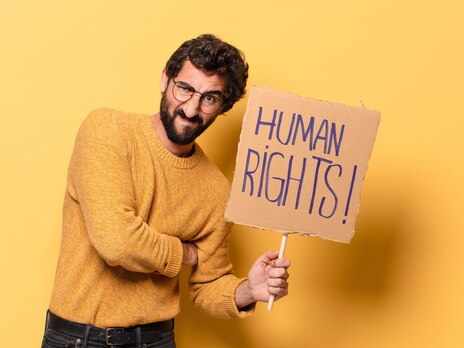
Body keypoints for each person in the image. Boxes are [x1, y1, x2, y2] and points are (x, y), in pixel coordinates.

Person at [41, 34, 290, 348]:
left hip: (156, 340)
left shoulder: (216, 192)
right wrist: (183, 253)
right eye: (184, 88)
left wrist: (248, 291)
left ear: (222, 106)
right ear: (165, 79)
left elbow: (209, 285)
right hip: (78, 338)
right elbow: (115, 240)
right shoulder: (107, 131)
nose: (191, 108)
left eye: (209, 98)